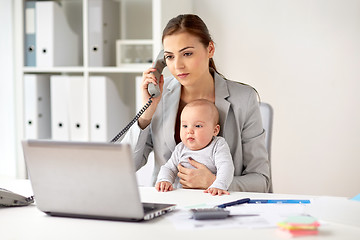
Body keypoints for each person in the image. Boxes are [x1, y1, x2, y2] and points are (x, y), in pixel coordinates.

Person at [122, 14, 270, 192]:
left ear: (210, 49)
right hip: (167, 207)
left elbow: (261, 181)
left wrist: (215, 182)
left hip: (221, 207)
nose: (178, 66)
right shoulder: (159, 95)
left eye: (187, 54)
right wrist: (147, 113)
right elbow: (125, 167)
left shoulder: (244, 99)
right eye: (169, 57)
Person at [155, 99, 234, 196]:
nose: (189, 131)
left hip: (211, 194)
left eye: (198, 126)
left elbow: (226, 167)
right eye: (185, 126)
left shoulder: (217, 145)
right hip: (185, 195)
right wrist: (164, 180)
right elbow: (169, 168)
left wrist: (219, 185)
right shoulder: (181, 148)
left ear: (215, 130)